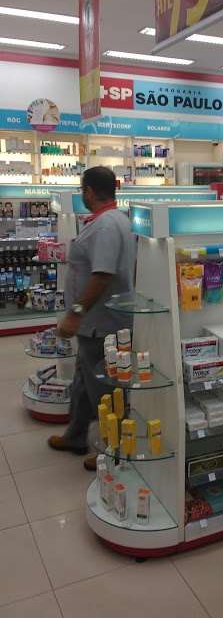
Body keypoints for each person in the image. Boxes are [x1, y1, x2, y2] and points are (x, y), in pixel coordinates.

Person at [48, 166, 135, 470]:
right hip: (96, 324)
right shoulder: (111, 219)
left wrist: (76, 313)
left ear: (88, 191)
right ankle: (75, 435)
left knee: (104, 392)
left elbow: (101, 275)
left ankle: (115, 453)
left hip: (101, 325)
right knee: (83, 382)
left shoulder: (106, 226)